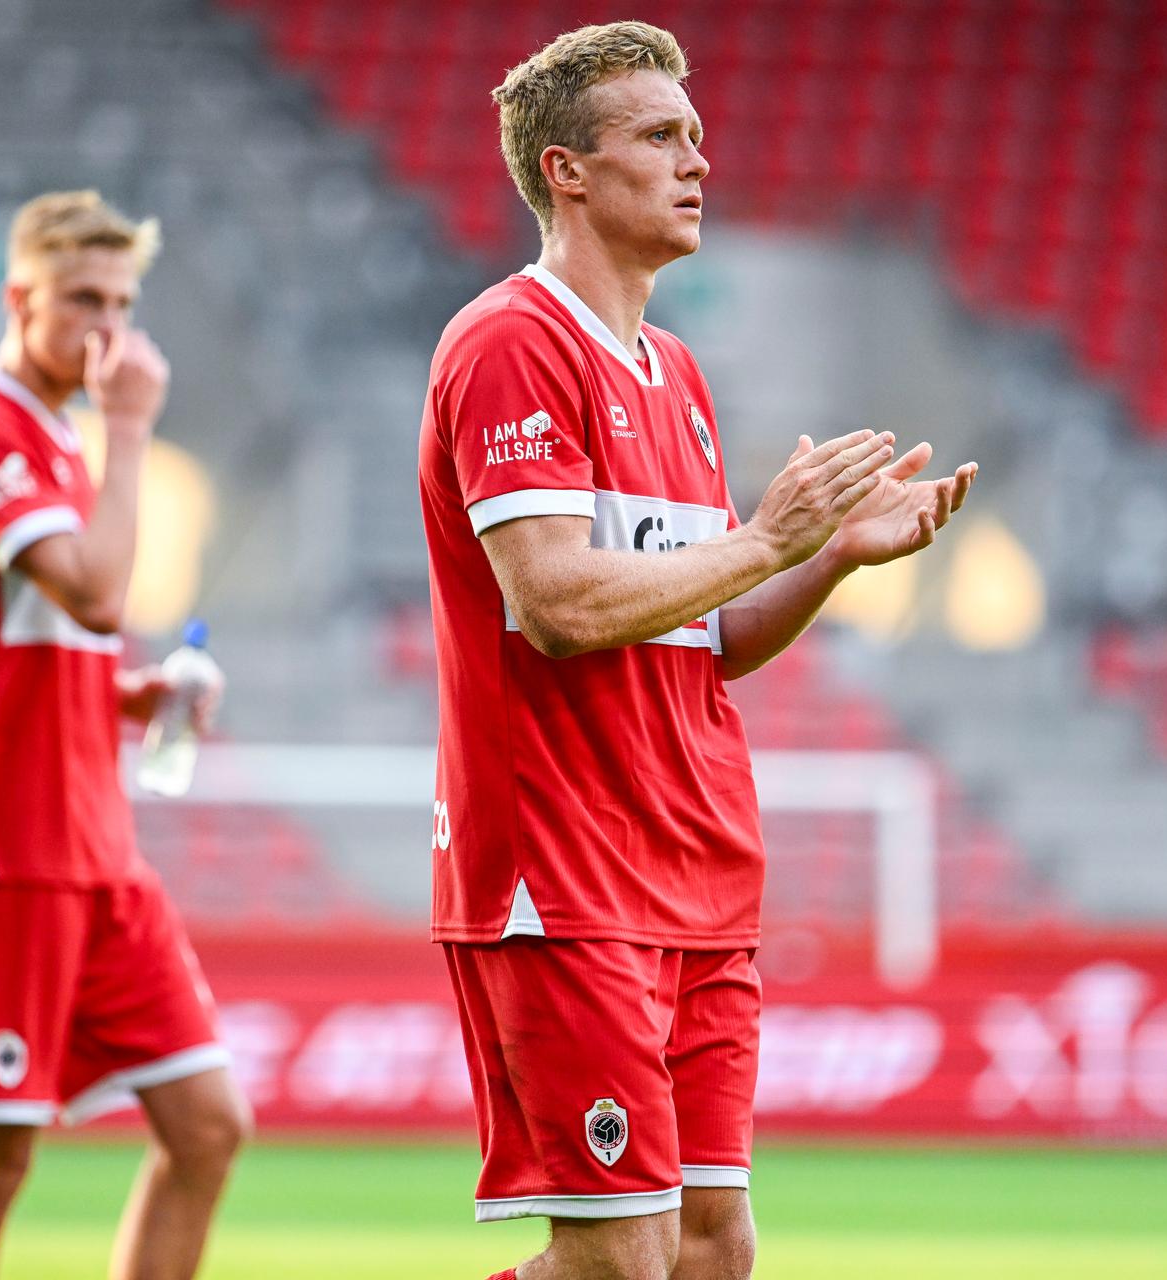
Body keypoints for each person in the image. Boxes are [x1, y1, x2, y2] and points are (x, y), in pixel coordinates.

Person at [417, 23, 977, 1280]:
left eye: (699, 138)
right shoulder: (512, 343)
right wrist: (771, 535)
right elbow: (558, 602)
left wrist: (827, 555)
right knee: (620, 1256)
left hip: (697, 865)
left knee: (715, 1245)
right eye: (661, 137)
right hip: (563, 868)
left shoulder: (674, 371)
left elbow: (700, 634)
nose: (696, 163)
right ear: (568, 169)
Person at [0, 190, 246, 1280]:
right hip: (1, 848)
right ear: (17, 296)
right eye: (82, 298)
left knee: (208, 1123)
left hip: (92, 846)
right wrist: (132, 428)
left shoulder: (53, 437)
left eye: (124, 302)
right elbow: (94, 592)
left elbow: (53, 645)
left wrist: (135, 695)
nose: (107, 327)